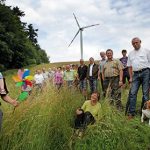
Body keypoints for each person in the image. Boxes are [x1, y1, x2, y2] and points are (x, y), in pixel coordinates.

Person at [127, 37, 150, 118]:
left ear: (140, 42)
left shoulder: (146, 51)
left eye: (136, 42)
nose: (135, 44)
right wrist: (130, 77)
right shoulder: (130, 53)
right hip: (135, 74)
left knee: (145, 94)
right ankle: (131, 113)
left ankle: (144, 112)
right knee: (133, 93)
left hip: (146, 73)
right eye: (133, 43)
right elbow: (129, 67)